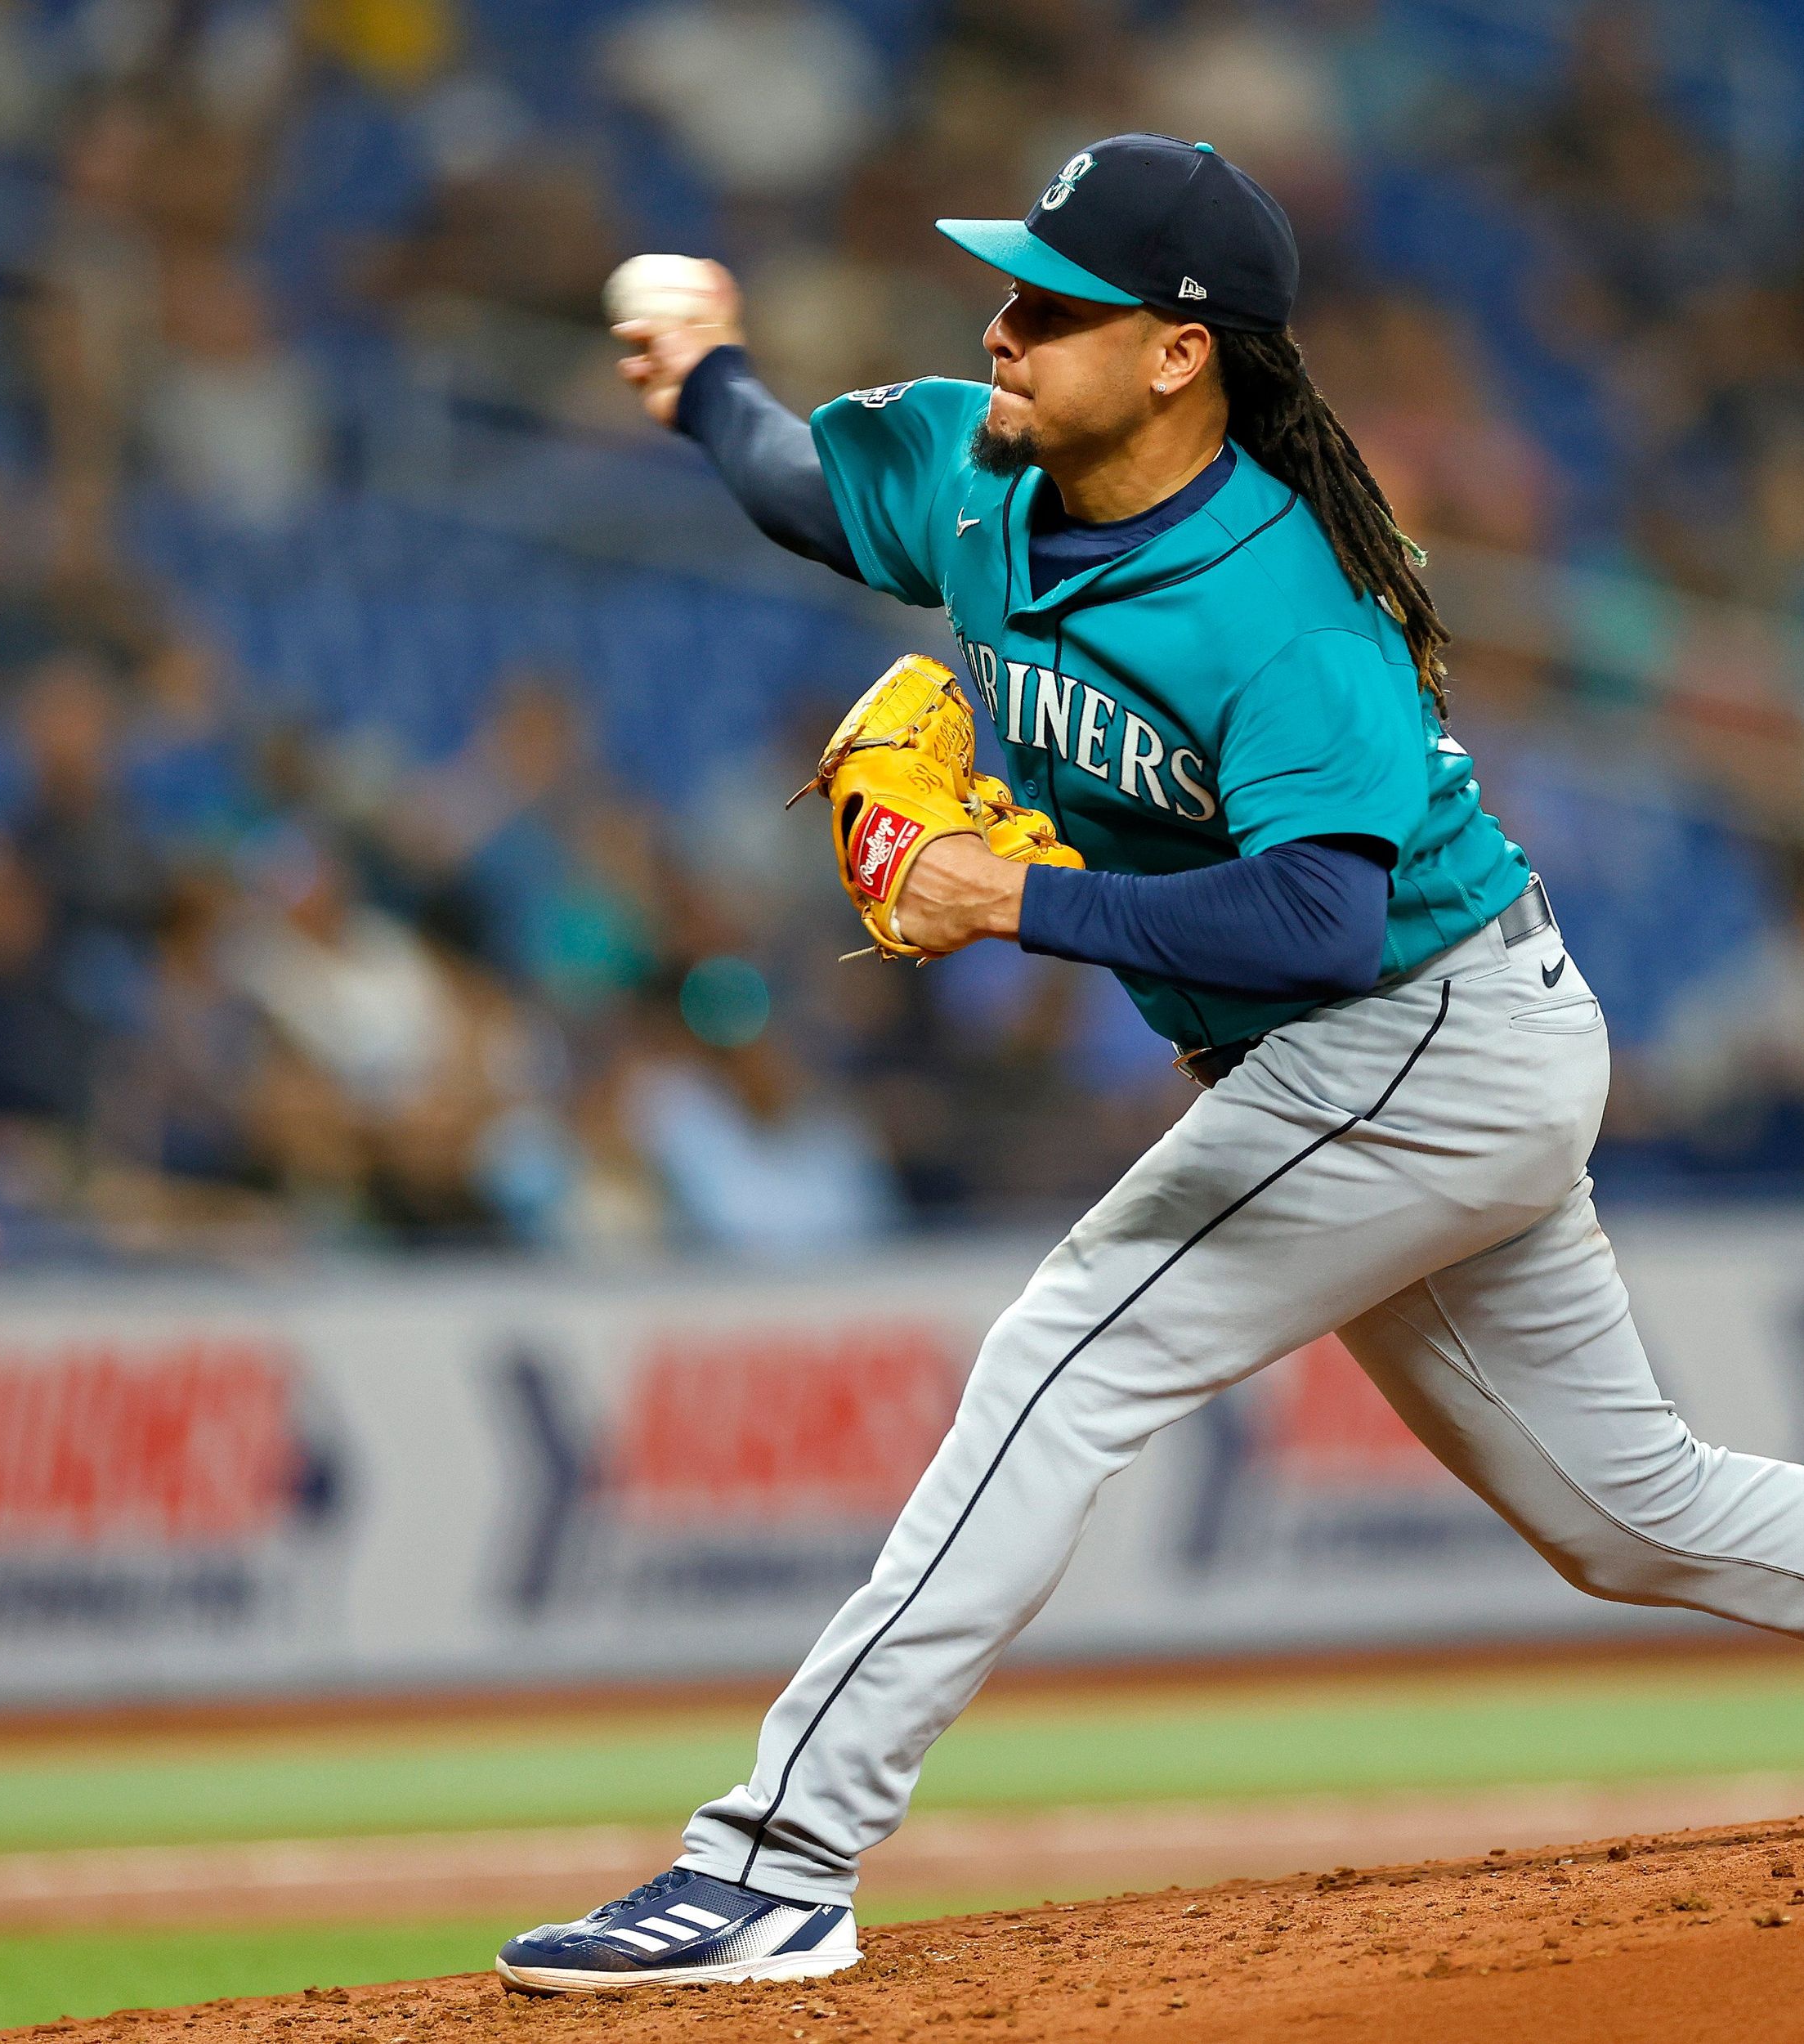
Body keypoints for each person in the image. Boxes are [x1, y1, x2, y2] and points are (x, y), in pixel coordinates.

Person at [493, 133, 1804, 1997]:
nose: (998, 322)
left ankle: (774, 1858)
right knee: (1627, 1514)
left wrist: (1007, 893)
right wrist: (704, 379)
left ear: (1178, 353)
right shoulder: (981, 467)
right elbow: (802, 492)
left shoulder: (1280, 598)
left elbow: (1317, 925)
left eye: (1050, 301)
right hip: (1397, 1052)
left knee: (1064, 1350)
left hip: (1417, 1036)